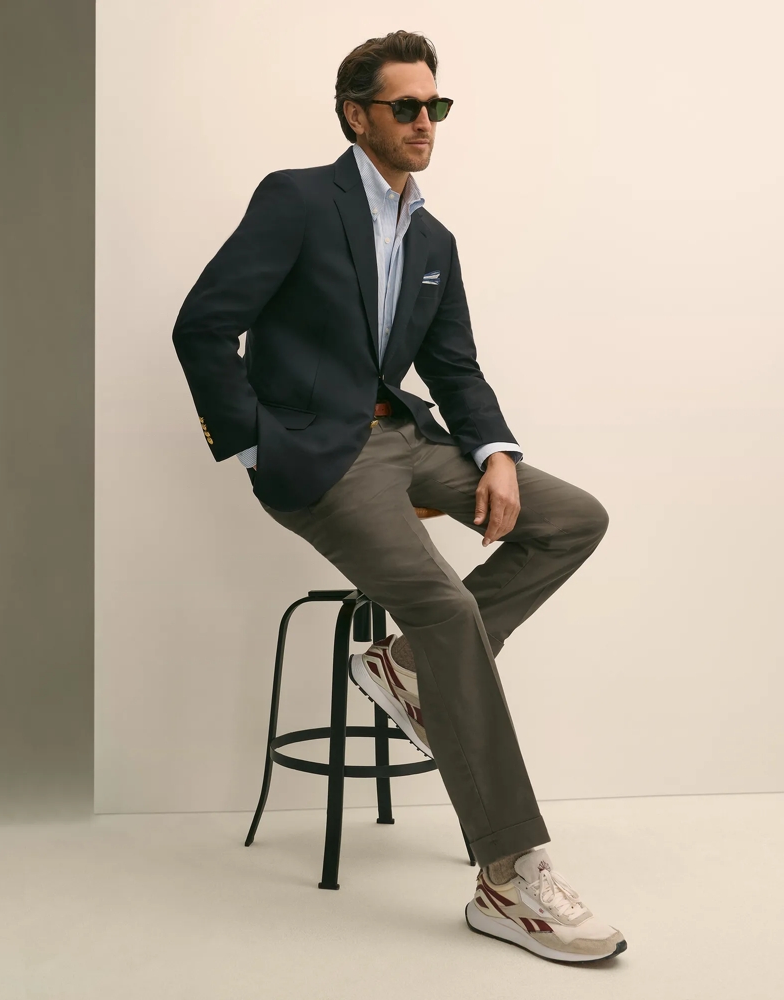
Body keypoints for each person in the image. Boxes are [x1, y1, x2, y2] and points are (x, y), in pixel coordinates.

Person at [172, 29, 626, 963]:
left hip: (404, 438)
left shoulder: (432, 238)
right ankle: (509, 876)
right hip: (318, 458)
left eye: (435, 107)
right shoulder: (298, 199)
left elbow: (453, 367)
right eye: (407, 107)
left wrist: (495, 454)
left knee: (572, 518)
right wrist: (255, 447)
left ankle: (407, 665)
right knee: (448, 605)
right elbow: (203, 325)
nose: (426, 123)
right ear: (356, 115)